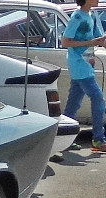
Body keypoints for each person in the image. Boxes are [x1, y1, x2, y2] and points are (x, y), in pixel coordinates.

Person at [63, 0, 106, 152]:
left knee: (74, 102)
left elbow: (97, 39)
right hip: (79, 63)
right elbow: (65, 41)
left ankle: (63, 138)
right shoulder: (77, 17)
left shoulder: (90, 16)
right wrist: (91, 42)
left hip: (86, 64)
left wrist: (98, 42)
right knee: (98, 98)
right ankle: (98, 139)